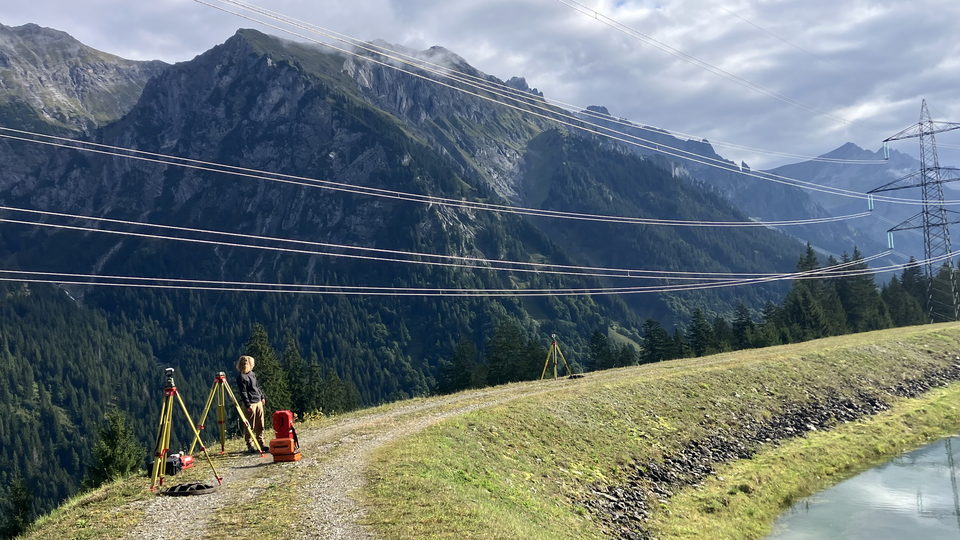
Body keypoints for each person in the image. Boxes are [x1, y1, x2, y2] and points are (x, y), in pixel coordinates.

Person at [236, 355, 267, 451]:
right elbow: (243, 393)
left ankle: (261, 443)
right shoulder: (241, 377)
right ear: (248, 364)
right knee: (250, 426)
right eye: (252, 363)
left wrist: (262, 396)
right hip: (251, 404)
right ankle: (250, 445)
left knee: (260, 424)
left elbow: (257, 387)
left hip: (258, 401)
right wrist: (248, 405)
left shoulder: (252, 374)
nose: (254, 365)